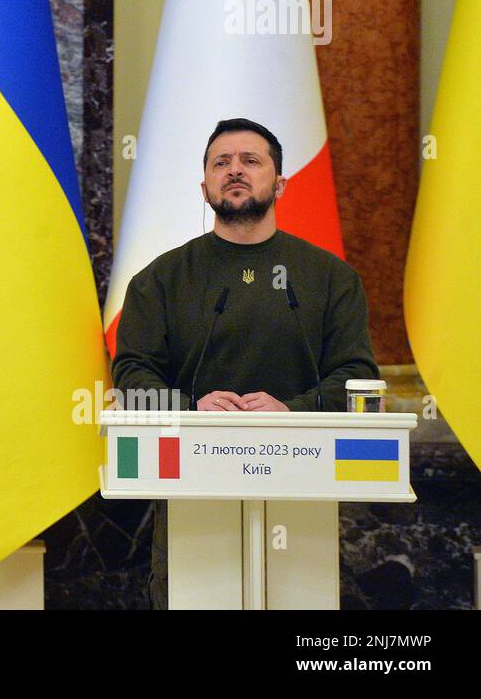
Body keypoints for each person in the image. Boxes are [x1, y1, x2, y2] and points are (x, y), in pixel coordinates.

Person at [111, 118, 377, 606]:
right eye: (221, 163)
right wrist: (192, 407)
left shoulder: (331, 278)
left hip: (303, 489)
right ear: (204, 186)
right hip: (190, 485)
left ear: (279, 183)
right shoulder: (160, 280)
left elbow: (359, 379)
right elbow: (131, 376)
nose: (235, 171)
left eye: (250, 161)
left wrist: (292, 411)